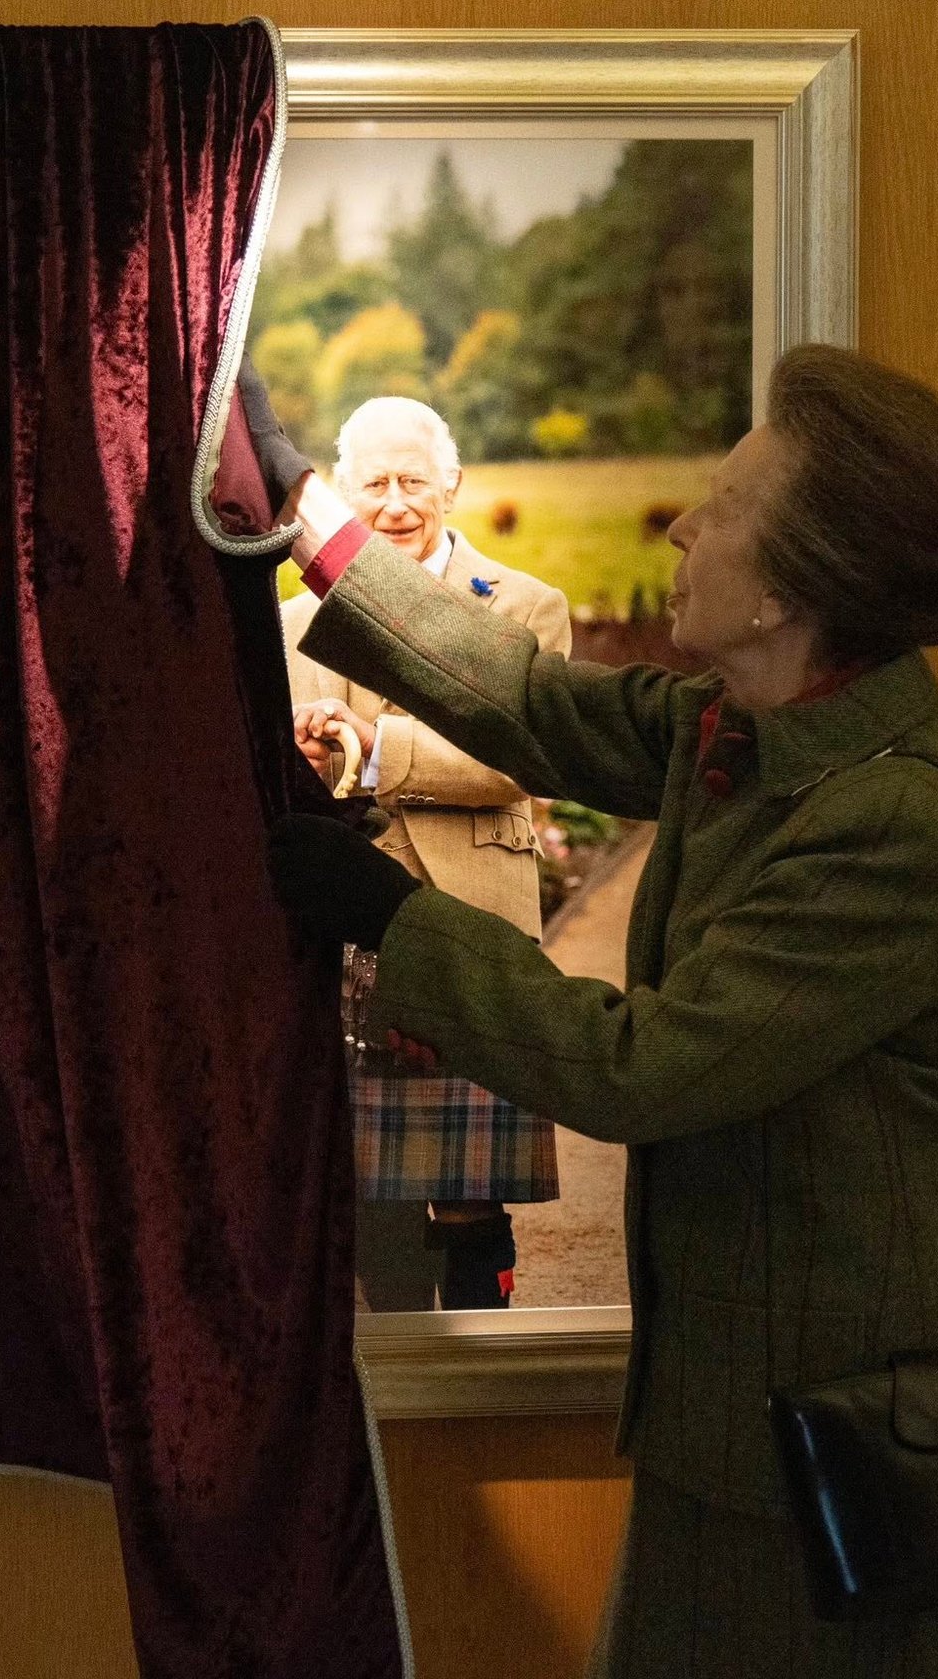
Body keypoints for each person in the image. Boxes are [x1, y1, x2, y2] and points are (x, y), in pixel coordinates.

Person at [246, 345, 938, 1678]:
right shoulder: (759, 727)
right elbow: (527, 699)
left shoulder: (893, 812)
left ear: (787, 592)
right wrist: (309, 503)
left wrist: (390, 916)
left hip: (837, 1467)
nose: (682, 526)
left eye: (724, 507)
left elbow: (641, 1066)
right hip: (740, 1431)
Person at [281, 395, 572, 1310]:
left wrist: (369, 754)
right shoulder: (288, 622)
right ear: (345, 495)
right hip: (346, 939)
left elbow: (523, 763)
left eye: (415, 481)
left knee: (471, 1198)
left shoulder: (526, 609)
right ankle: (400, 1387)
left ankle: (485, 1366)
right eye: (374, 484)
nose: (396, 503)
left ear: (452, 485)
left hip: (477, 927)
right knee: (373, 1198)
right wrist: (309, 751)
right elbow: (277, 774)